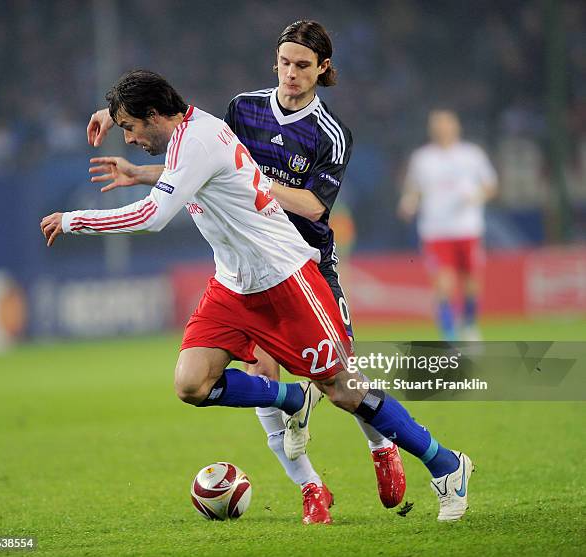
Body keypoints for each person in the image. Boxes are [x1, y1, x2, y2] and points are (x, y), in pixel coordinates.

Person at [42, 69, 473, 523]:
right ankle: (291, 399)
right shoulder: (185, 136)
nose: (127, 138)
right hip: (232, 286)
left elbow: (154, 215)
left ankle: (447, 465)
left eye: (129, 127)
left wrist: (75, 220)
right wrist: (111, 115)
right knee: (191, 384)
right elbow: (171, 161)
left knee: (345, 390)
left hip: (286, 280)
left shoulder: (198, 141)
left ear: (153, 115)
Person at [85, 21, 405, 524]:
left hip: (305, 260)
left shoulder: (331, 133)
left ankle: (382, 444)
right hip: (246, 273)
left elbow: (315, 207)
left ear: (322, 69)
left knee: (337, 378)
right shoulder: (244, 108)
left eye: (303, 65)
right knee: (262, 379)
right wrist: (124, 133)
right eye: (284, 62)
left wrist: (252, 181)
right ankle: (310, 487)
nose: (291, 73)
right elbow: (199, 165)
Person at [398, 109, 498, 341]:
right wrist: (409, 202)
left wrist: (477, 196)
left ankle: (470, 325)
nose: (442, 129)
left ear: (456, 127)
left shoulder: (472, 155)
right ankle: (450, 336)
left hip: (467, 228)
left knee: (472, 281)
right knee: (444, 284)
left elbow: (491, 185)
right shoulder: (422, 158)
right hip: (435, 230)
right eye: (437, 125)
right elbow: (414, 189)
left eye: (446, 124)